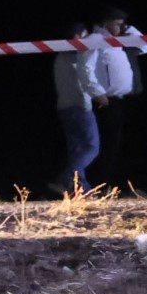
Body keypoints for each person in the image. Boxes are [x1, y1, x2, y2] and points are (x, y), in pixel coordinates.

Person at [87, 8, 147, 190]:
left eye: (124, 24)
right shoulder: (97, 40)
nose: (121, 27)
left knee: (132, 143)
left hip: (130, 99)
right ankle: (104, 185)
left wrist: (130, 29)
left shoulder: (125, 40)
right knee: (110, 144)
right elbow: (86, 68)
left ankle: (128, 185)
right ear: (106, 22)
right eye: (118, 23)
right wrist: (97, 92)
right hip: (109, 100)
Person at [50, 22, 105, 196]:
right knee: (91, 147)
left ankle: (80, 189)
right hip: (79, 106)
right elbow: (85, 74)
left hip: (64, 107)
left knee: (76, 150)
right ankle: (65, 178)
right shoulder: (77, 56)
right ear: (77, 37)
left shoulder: (60, 56)